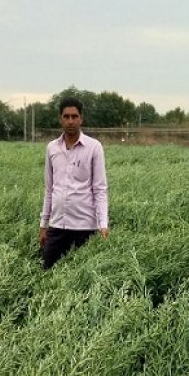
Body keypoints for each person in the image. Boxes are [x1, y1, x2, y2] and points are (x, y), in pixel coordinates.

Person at [39, 96, 110, 269]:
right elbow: (49, 190)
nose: (70, 121)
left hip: (84, 228)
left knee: (82, 278)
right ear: (60, 119)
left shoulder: (94, 147)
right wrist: (43, 225)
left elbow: (100, 189)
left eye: (74, 116)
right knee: (47, 272)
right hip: (57, 226)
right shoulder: (52, 148)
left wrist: (103, 224)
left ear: (81, 119)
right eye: (66, 116)